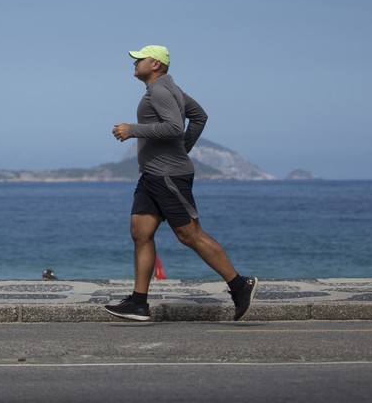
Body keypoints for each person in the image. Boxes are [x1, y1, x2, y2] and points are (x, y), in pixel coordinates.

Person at [104, 45, 258, 322]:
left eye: (140, 58)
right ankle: (139, 302)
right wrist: (183, 148)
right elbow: (199, 116)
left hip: (168, 176)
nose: (135, 62)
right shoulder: (168, 88)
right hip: (152, 175)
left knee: (190, 235)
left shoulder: (162, 90)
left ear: (156, 64)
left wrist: (132, 130)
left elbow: (175, 126)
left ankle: (239, 285)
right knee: (140, 232)